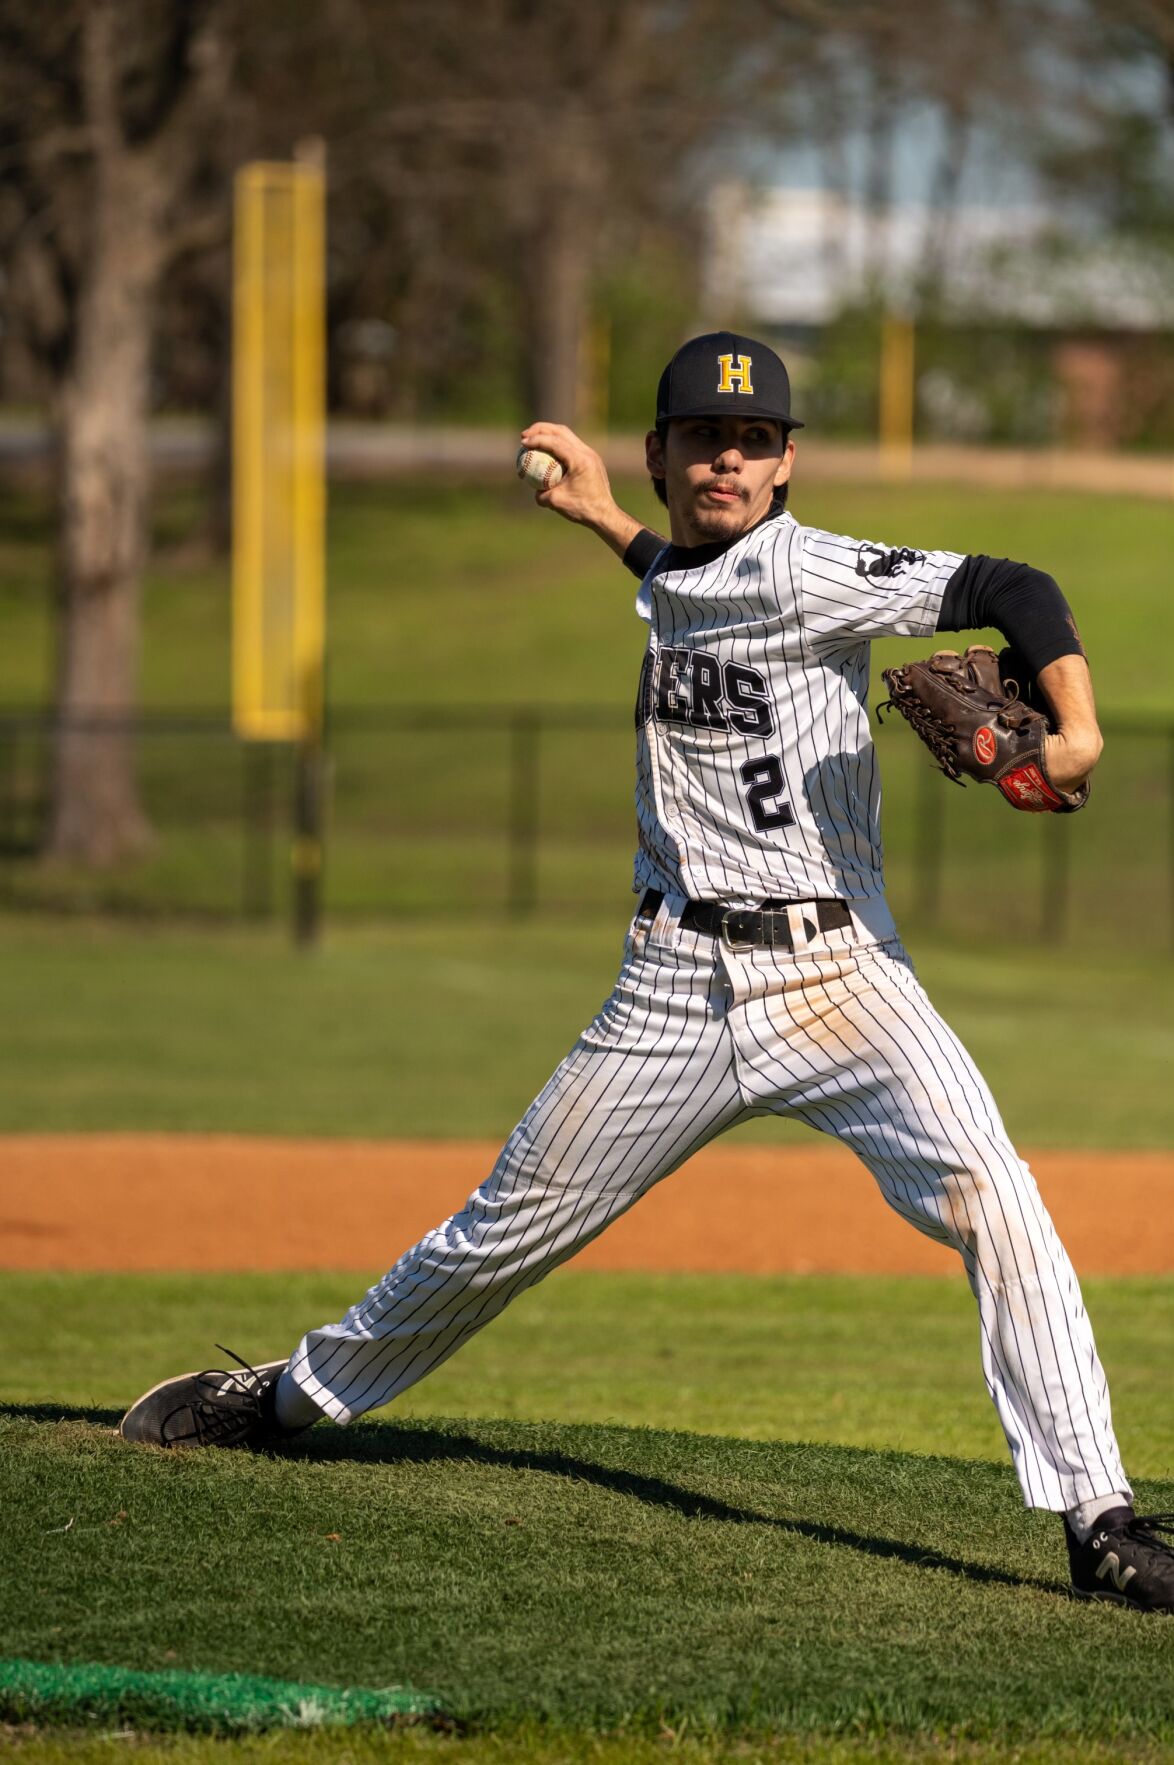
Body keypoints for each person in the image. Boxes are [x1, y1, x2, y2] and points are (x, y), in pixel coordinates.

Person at [122, 331, 1174, 1613]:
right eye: (701, 438)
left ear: (787, 464)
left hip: (842, 975)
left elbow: (1015, 581)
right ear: (664, 454)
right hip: (669, 988)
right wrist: (603, 520)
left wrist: (1076, 726)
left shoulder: (818, 569)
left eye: (752, 441)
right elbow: (686, 585)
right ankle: (289, 1399)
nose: (727, 458)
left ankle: (1098, 1516)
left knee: (995, 1200)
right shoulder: (680, 566)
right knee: (497, 1235)